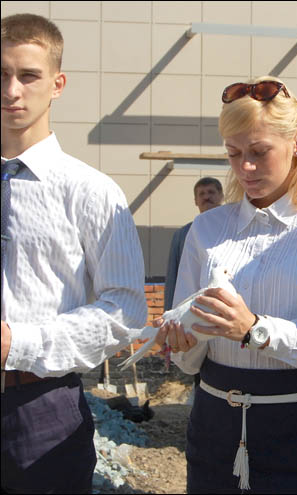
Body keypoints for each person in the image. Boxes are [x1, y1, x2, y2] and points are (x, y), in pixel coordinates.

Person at [150, 76, 297, 492]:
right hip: (214, 427)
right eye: (233, 154)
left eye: (258, 152)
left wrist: (256, 330)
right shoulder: (207, 228)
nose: (245, 168)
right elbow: (189, 356)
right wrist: (181, 342)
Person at [1, 13, 147, 493]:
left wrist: (16, 343)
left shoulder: (91, 192)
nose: (13, 90)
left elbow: (125, 309)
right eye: (2, 75)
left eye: (28, 75)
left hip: (39, 409)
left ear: (57, 84)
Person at [164, 177, 224, 312]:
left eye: (211, 192)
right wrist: (168, 315)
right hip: (193, 311)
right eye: (201, 194)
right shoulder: (182, 235)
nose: (206, 197)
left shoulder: (233, 230)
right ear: (195, 201)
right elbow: (173, 278)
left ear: (221, 196)